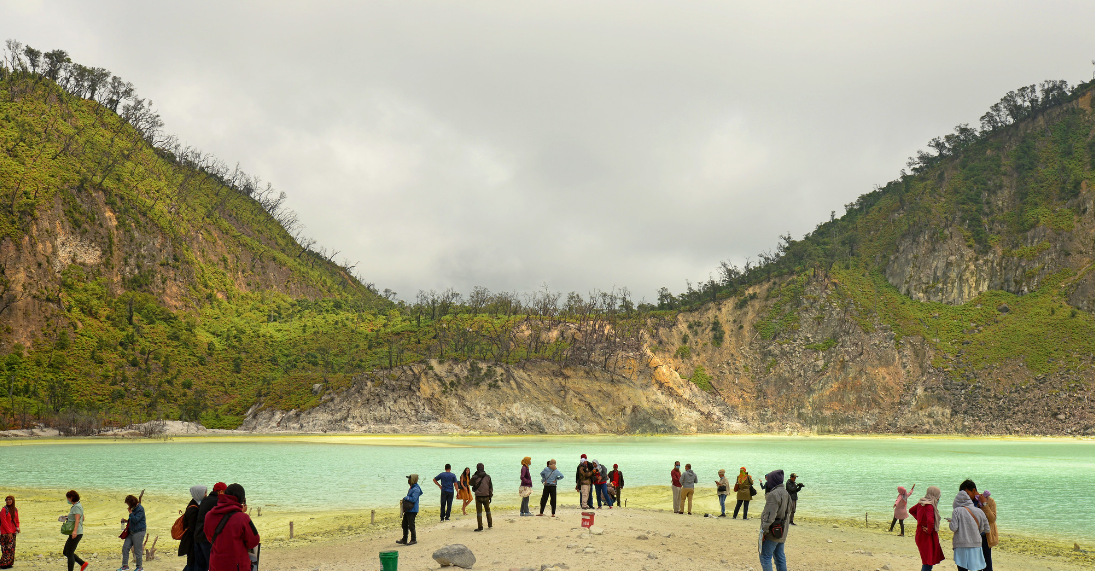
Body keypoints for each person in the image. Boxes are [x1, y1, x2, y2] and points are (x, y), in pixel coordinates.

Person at [204, 483, 260, 571]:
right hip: (237, 565)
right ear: (242, 500)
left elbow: (209, 537)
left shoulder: (209, 515)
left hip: (216, 564)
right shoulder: (243, 518)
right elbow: (254, 541)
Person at [948, 480, 989, 571]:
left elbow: (953, 528)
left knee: (962, 569)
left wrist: (951, 522)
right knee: (977, 568)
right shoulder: (979, 511)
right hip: (976, 544)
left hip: (960, 544)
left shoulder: (957, 511)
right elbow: (986, 528)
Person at [758, 470, 791, 571]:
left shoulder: (773, 494)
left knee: (765, 556)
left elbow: (769, 516)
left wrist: (764, 531)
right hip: (782, 530)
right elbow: (789, 512)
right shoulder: (786, 494)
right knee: (780, 557)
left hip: (772, 531)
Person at [909, 486, 945, 571]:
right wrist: (929, 530)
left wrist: (920, 521)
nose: (939, 498)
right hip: (927, 536)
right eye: (938, 495)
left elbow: (911, 510)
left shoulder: (921, 503)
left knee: (926, 560)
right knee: (928, 562)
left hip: (920, 534)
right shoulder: (929, 506)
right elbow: (930, 520)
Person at [194, 482, 226, 571]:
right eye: (225, 492)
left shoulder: (205, 500)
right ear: (220, 492)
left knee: (200, 567)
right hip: (206, 538)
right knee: (212, 566)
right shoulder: (218, 502)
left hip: (197, 536)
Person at [179, 486, 205, 571]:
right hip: (191, 539)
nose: (206, 495)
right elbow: (193, 527)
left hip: (193, 538)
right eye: (204, 493)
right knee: (192, 561)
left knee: (192, 562)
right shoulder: (193, 508)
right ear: (198, 494)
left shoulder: (196, 504)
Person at [118, 494, 146, 571]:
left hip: (139, 531)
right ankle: (125, 566)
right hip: (131, 531)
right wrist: (126, 520)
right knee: (125, 548)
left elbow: (136, 519)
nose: (128, 505)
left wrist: (130, 513)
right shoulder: (133, 508)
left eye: (128, 503)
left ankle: (139, 567)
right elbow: (132, 520)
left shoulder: (140, 509)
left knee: (137, 550)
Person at [63, 490, 87, 571]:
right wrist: (68, 517)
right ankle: (83, 564)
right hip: (76, 532)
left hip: (76, 532)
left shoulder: (76, 507)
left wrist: (74, 531)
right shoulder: (77, 505)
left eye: (68, 498)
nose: (68, 500)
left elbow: (77, 519)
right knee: (66, 552)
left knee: (69, 553)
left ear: (72, 498)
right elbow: (82, 518)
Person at [397, 475, 422, 545]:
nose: (408, 480)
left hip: (413, 510)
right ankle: (404, 539)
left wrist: (406, 498)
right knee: (404, 524)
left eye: (409, 479)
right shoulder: (412, 488)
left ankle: (413, 539)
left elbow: (414, 499)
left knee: (411, 525)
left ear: (413, 480)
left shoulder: (416, 489)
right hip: (408, 509)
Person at [470, 463, 493, 532]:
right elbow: (490, 487)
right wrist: (490, 495)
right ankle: (490, 524)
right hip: (486, 496)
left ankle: (480, 527)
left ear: (477, 468)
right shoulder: (488, 477)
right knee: (488, 511)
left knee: (479, 512)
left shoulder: (475, 477)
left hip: (478, 496)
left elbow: (470, 483)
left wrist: (474, 475)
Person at [1, 495, 20, 569]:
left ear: (13, 501)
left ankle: (9, 563)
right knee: (6, 548)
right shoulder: (4, 510)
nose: (8, 501)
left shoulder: (15, 509)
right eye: (7, 500)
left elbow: (17, 520)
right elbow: (3, 522)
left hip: (13, 532)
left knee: (12, 548)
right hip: (5, 533)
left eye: (10, 499)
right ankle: (3, 564)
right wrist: (9, 532)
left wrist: (17, 528)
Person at [980, 490, 997, 571]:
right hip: (973, 536)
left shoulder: (990, 501)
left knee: (987, 564)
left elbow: (992, 519)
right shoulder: (971, 501)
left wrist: (984, 504)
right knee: (976, 564)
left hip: (985, 536)